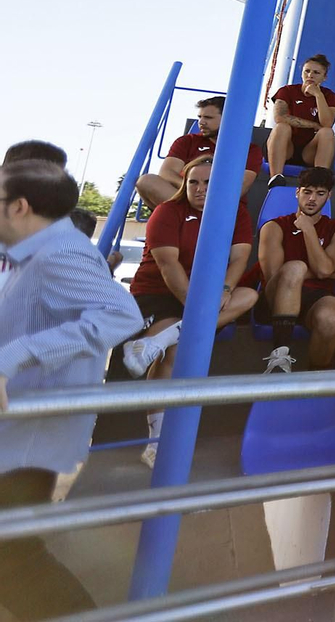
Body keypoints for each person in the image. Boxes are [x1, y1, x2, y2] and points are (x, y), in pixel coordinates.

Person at [0, 160, 143, 621]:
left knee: (15, 560)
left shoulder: (58, 255)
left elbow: (122, 314)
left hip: (29, 431)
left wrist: (17, 355)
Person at [123, 156, 258, 466]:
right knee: (176, 352)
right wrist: (197, 311)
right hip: (160, 292)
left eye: (209, 183)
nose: (200, 189)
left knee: (247, 295)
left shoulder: (235, 211)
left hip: (207, 297)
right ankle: (156, 442)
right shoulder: (168, 211)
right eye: (194, 181)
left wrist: (224, 289)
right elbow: (168, 266)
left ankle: (161, 339)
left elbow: (240, 258)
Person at [256, 166, 335, 371]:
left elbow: (324, 270)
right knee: (294, 268)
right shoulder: (274, 226)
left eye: (320, 193)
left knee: (331, 315)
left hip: (315, 297)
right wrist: (329, 271)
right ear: (297, 192)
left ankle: (316, 378)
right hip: (276, 297)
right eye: (307, 192)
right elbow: (274, 275)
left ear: (329, 196)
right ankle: (279, 355)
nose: (312, 199)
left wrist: (308, 230)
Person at [134, 95, 264, 205]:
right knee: (146, 181)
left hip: (220, 205)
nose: (201, 122)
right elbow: (166, 173)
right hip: (185, 198)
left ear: (229, 119)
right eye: (199, 117)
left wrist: (209, 195)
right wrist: (194, 189)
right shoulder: (186, 141)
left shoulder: (249, 150)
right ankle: (188, 217)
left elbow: (242, 186)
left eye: (208, 118)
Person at [266, 53, 335, 188]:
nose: (310, 75)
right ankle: (275, 178)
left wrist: (318, 95)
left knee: (327, 132)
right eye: (307, 71)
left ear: (324, 77)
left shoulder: (329, 96)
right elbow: (279, 117)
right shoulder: (287, 90)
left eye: (316, 73)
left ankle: (320, 182)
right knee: (282, 127)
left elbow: (327, 123)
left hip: (310, 152)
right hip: (287, 147)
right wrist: (312, 125)